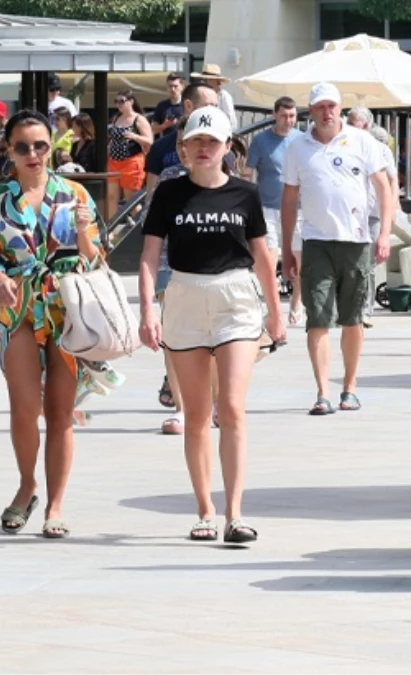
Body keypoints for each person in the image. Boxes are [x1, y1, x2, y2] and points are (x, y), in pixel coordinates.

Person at [139, 106, 287, 543]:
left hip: (236, 300)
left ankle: (235, 514)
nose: (204, 148)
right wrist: (148, 309)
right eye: (195, 141)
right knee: (198, 414)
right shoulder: (169, 195)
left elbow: (262, 257)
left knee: (233, 408)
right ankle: (205, 509)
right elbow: (149, 257)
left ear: (227, 147)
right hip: (184, 297)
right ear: (183, 148)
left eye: (212, 141)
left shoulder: (245, 193)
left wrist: (276, 312)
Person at [0, 109, 113, 539]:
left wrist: (86, 236)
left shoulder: (74, 195)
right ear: (8, 151)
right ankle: (27, 484)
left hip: (68, 310)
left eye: (40, 145)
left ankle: (55, 504)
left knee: (60, 412)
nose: (32, 154)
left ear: (52, 147)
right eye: (22, 147)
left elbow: (96, 259)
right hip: (18, 309)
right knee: (25, 408)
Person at [281, 82, 395, 416]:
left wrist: (384, 233)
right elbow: (289, 198)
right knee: (317, 317)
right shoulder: (298, 147)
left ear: (340, 108)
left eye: (332, 106)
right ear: (311, 111)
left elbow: (384, 189)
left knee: (352, 317)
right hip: (316, 240)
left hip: (357, 240)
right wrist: (289, 247)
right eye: (320, 107)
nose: (327, 112)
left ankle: (350, 386)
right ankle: (322, 392)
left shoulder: (362, 141)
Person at [143, 82, 222, 434]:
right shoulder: (167, 175)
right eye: (189, 142)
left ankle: (215, 403)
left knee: (215, 341)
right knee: (174, 338)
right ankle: (180, 405)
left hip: (215, 272)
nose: (198, 148)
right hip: (170, 268)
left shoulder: (225, 171)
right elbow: (151, 215)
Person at [247, 96, 305, 324]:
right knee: (268, 260)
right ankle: (273, 308)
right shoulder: (261, 141)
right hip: (267, 207)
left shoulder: (303, 140)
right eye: (283, 115)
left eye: (292, 116)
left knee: (300, 259)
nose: (288, 120)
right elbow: (249, 173)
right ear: (274, 115)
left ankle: (296, 300)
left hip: (298, 210)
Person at [346, 106, 400, 329]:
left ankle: (365, 310)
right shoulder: (343, 147)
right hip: (350, 213)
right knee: (350, 263)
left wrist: (394, 207)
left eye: (353, 124)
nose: (347, 128)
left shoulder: (380, 149)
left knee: (367, 264)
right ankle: (350, 308)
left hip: (374, 214)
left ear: (366, 126)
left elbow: (393, 181)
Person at [105, 90, 153, 220]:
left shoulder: (139, 119)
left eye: (121, 101)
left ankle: (141, 225)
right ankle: (111, 230)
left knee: (130, 199)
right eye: (116, 102)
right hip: (114, 161)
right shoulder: (116, 118)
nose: (118, 105)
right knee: (111, 197)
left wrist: (134, 136)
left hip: (131, 161)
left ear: (131, 102)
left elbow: (150, 141)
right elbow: (113, 138)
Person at [149, 73, 185, 138]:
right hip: (167, 144)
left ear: (182, 87)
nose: (173, 89)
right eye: (170, 86)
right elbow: (153, 129)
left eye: (175, 86)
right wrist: (165, 125)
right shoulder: (162, 106)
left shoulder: (187, 105)